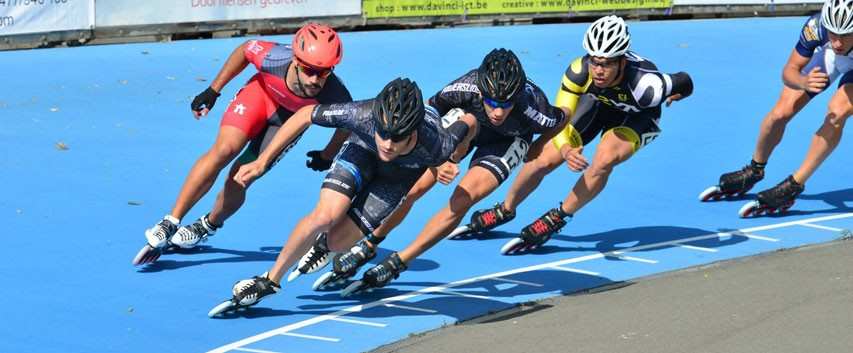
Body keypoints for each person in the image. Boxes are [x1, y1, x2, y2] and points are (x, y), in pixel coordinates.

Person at [209, 78, 478, 314]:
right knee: (325, 216)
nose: (387, 143)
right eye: (383, 133)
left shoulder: (438, 143)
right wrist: (263, 161)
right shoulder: (362, 114)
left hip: (396, 180)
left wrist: (455, 156)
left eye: (397, 138)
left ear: (414, 131)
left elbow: (470, 120)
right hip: (360, 152)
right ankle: (270, 280)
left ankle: (324, 247)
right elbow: (305, 114)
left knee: (338, 242)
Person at [326, 48, 568, 296]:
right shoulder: (466, 86)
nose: (497, 111)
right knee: (413, 187)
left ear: (516, 98)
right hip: (464, 128)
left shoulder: (535, 108)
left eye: (505, 104)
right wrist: (438, 161)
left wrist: (537, 145)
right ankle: (369, 243)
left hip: (507, 141)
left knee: (463, 199)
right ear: (481, 90)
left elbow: (564, 117)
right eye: (492, 102)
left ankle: (400, 261)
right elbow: (426, 116)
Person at [457, 15, 693, 255]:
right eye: (595, 61)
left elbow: (685, 80)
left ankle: (559, 216)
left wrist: (678, 94)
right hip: (597, 106)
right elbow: (560, 120)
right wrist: (566, 149)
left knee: (604, 159)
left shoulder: (648, 86)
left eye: (607, 64)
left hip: (637, 117)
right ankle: (506, 209)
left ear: (622, 62)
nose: (599, 70)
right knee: (544, 158)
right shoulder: (579, 71)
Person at [133, 23, 352, 266]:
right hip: (260, 96)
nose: (315, 79)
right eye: (309, 70)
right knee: (224, 150)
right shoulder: (273, 57)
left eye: (323, 72)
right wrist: (213, 90)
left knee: (241, 176)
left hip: (288, 123)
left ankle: (208, 224)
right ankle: (170, 221)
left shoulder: (336, 94)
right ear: (296, 60)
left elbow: (345, 124)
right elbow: (245, 50)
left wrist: (327, 154)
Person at [700, 0, 853, 217]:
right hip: (831, 60)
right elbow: (789, 70)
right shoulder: (816, 26)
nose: (837, 42)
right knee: (780, 113)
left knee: (837, 112)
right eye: (833, 34)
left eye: (845, 35)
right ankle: (754, 169)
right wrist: (802, 82)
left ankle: (794, 185)